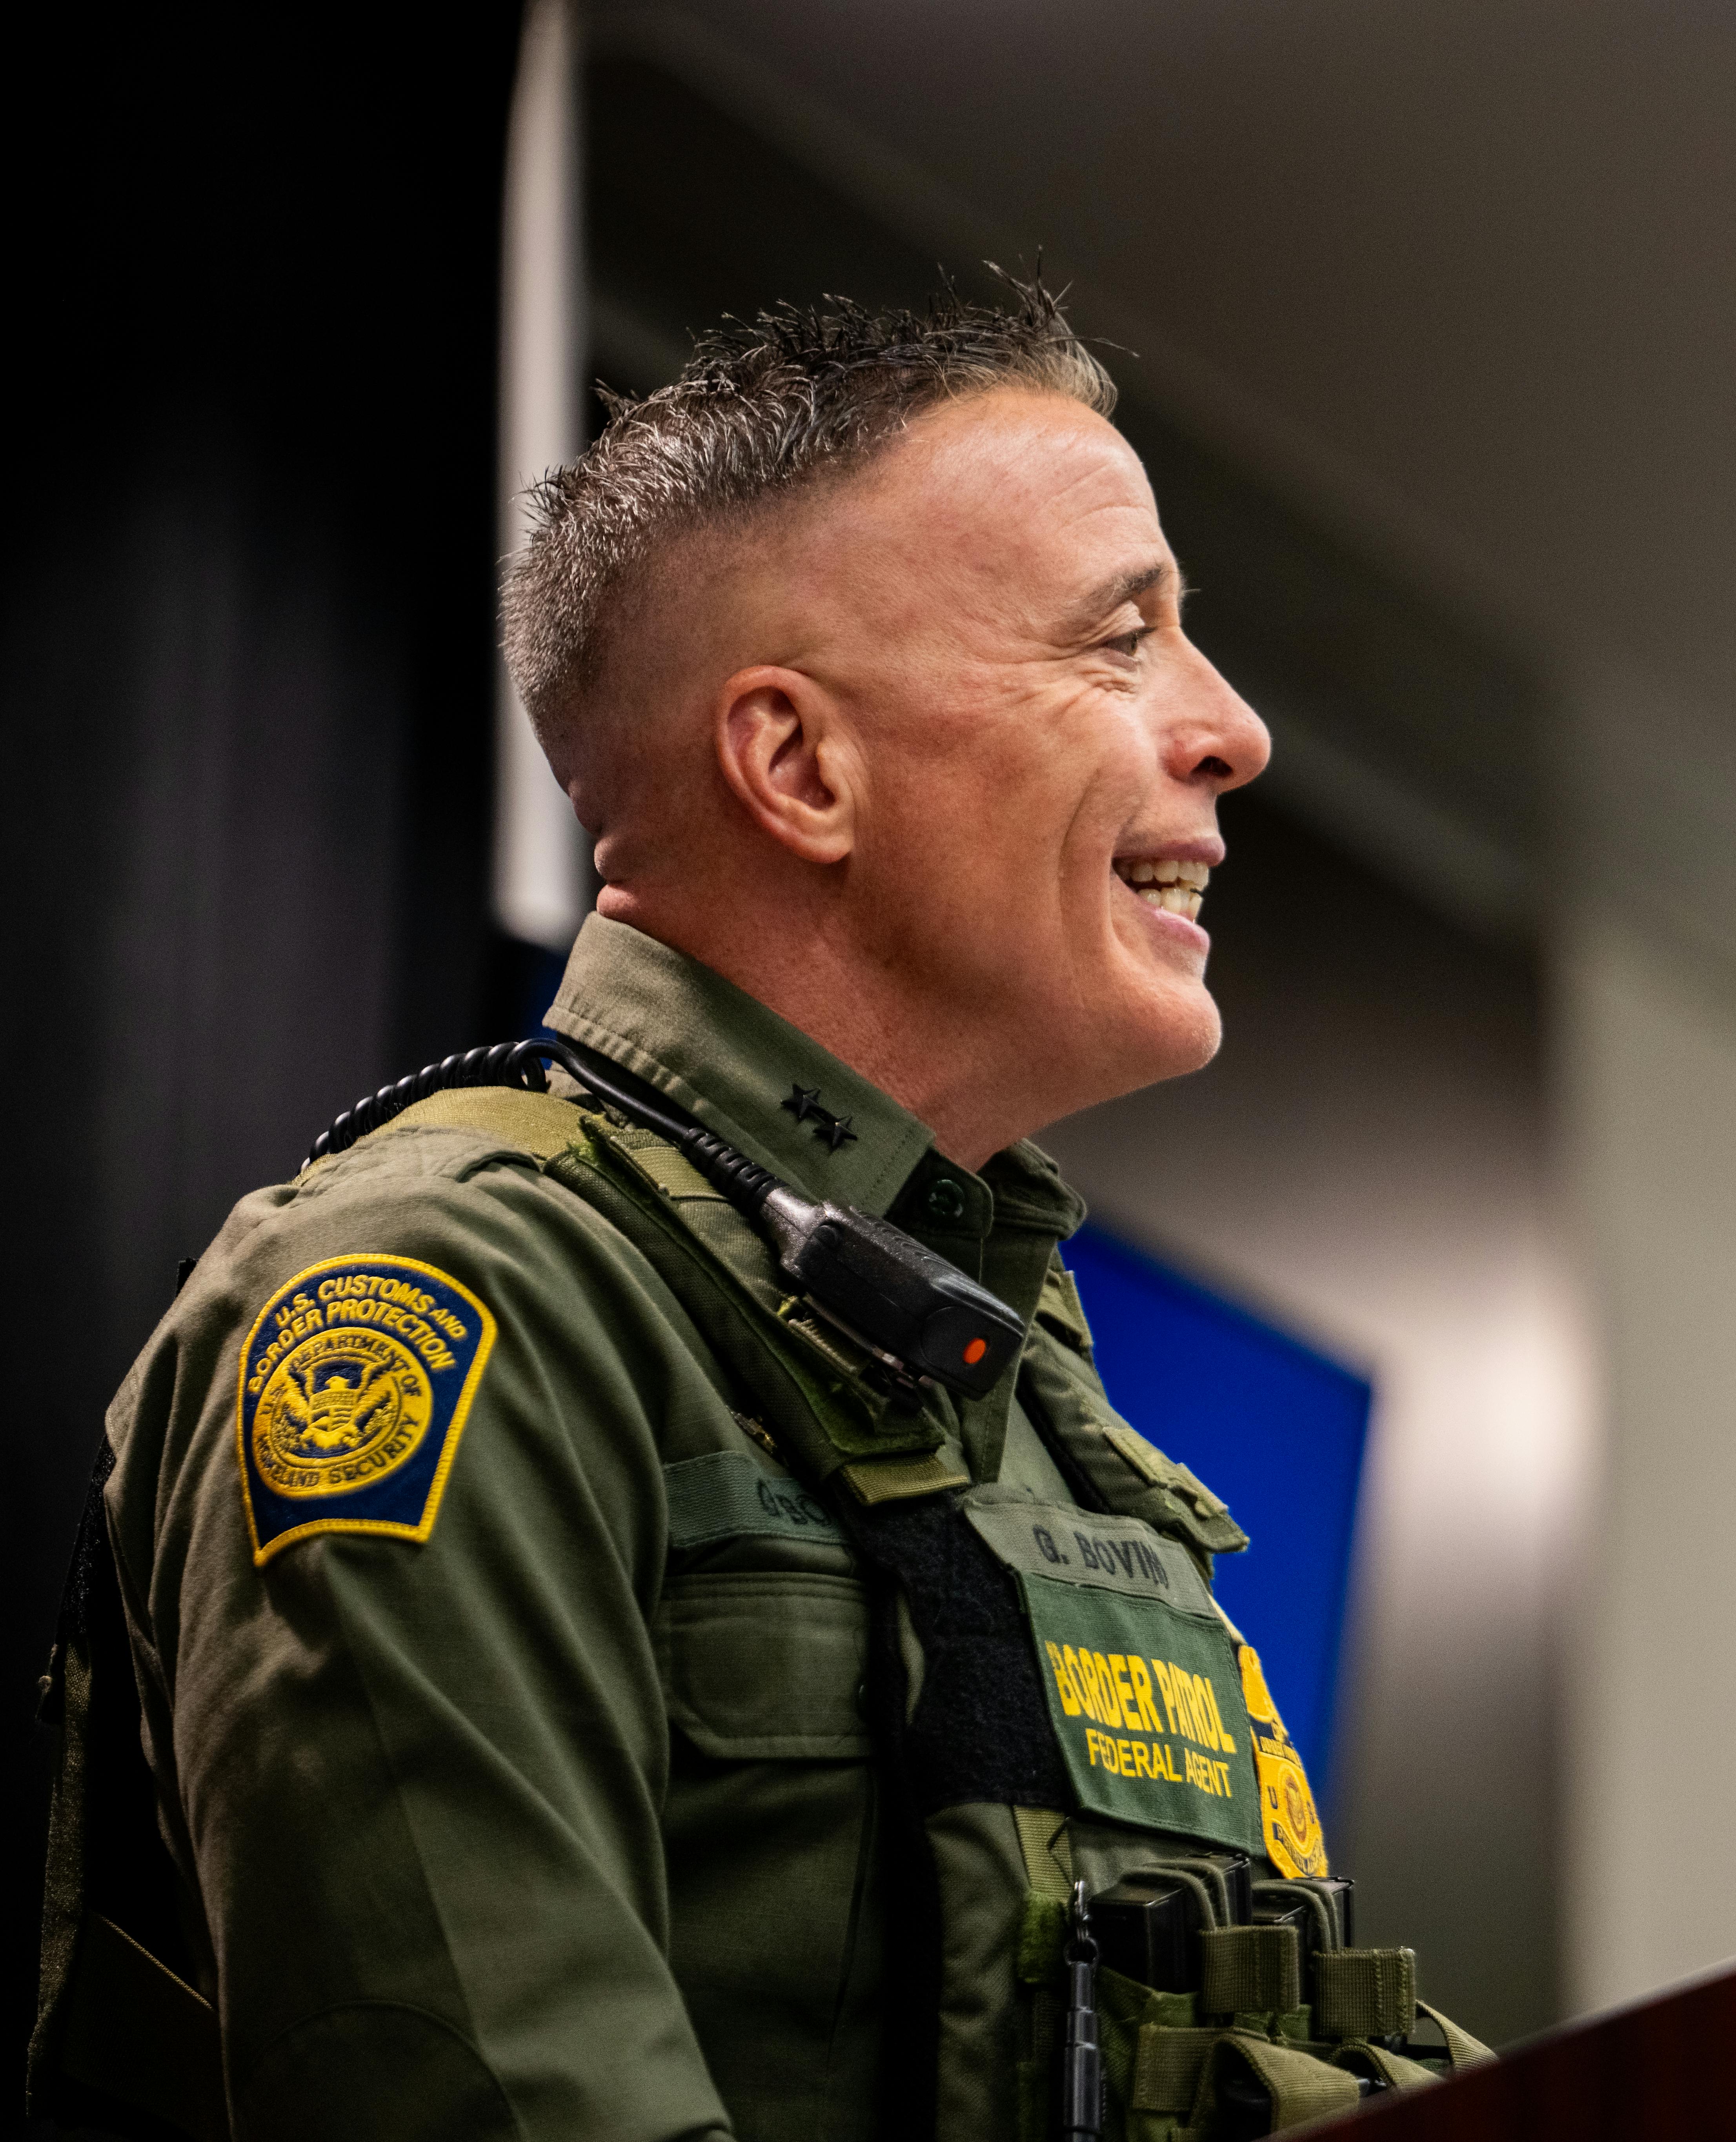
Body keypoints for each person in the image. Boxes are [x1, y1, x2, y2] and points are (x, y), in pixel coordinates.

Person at [31, 280, 1484, 2142]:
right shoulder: (443, 1296)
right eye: (1123, 640)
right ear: (800, 765)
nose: (1235, 729)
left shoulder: (1023, 1388)